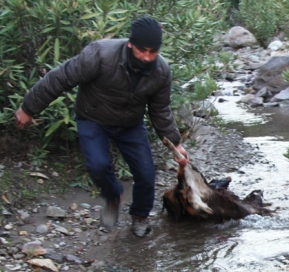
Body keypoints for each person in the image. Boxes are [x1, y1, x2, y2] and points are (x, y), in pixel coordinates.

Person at [15, 16, 189, 237]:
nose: (147, 57)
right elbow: (60, 78)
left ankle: (140, 216)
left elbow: (160, 110)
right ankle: (112, 196)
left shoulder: (161, 71)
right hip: (93, 118)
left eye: (153, 52)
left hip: (130, 125)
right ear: (130, 44)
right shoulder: (99, 54)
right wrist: (29, 108)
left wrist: (175, 144)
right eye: (142, 50)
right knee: (97, 165)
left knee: (146, 173)